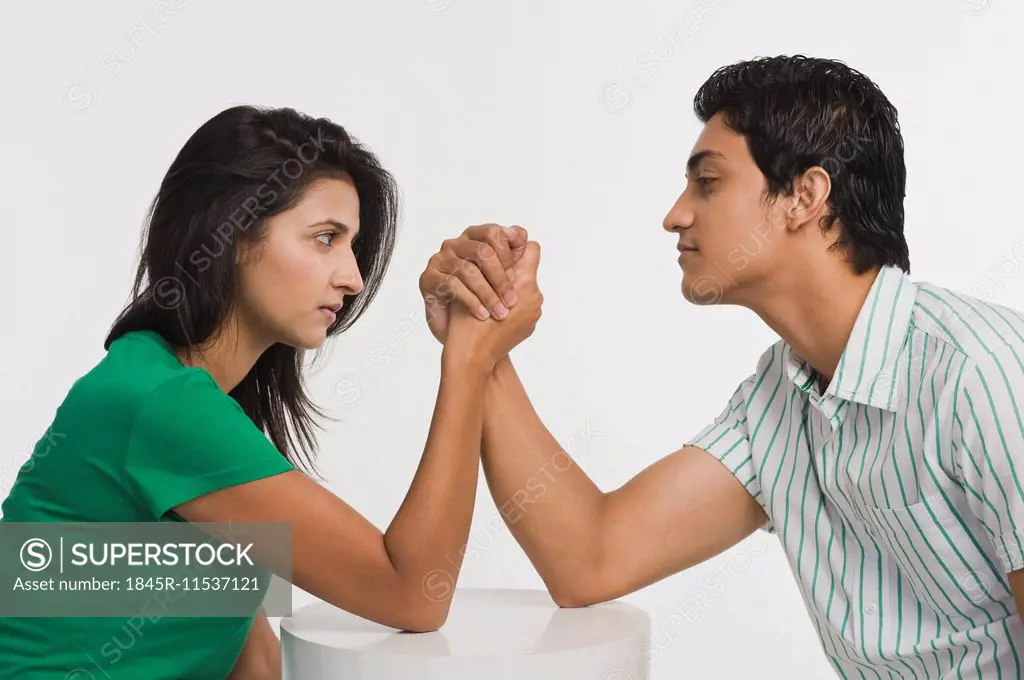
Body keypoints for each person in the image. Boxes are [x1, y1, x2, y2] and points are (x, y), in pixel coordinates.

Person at [418, 55, 1024, 677]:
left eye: (707, 182)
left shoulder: (983, 374)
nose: (675, 215)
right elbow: (589, 558)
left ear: (805, 197)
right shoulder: (783, 399)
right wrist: (480, 338)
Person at [0, 104, 544, 680]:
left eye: (353, 245)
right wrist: (468, 357)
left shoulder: (187, 393)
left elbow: (245, 647)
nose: (354, 278)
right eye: (325, 239)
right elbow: (413, 595)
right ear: (230, 236)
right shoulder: (161, 403)